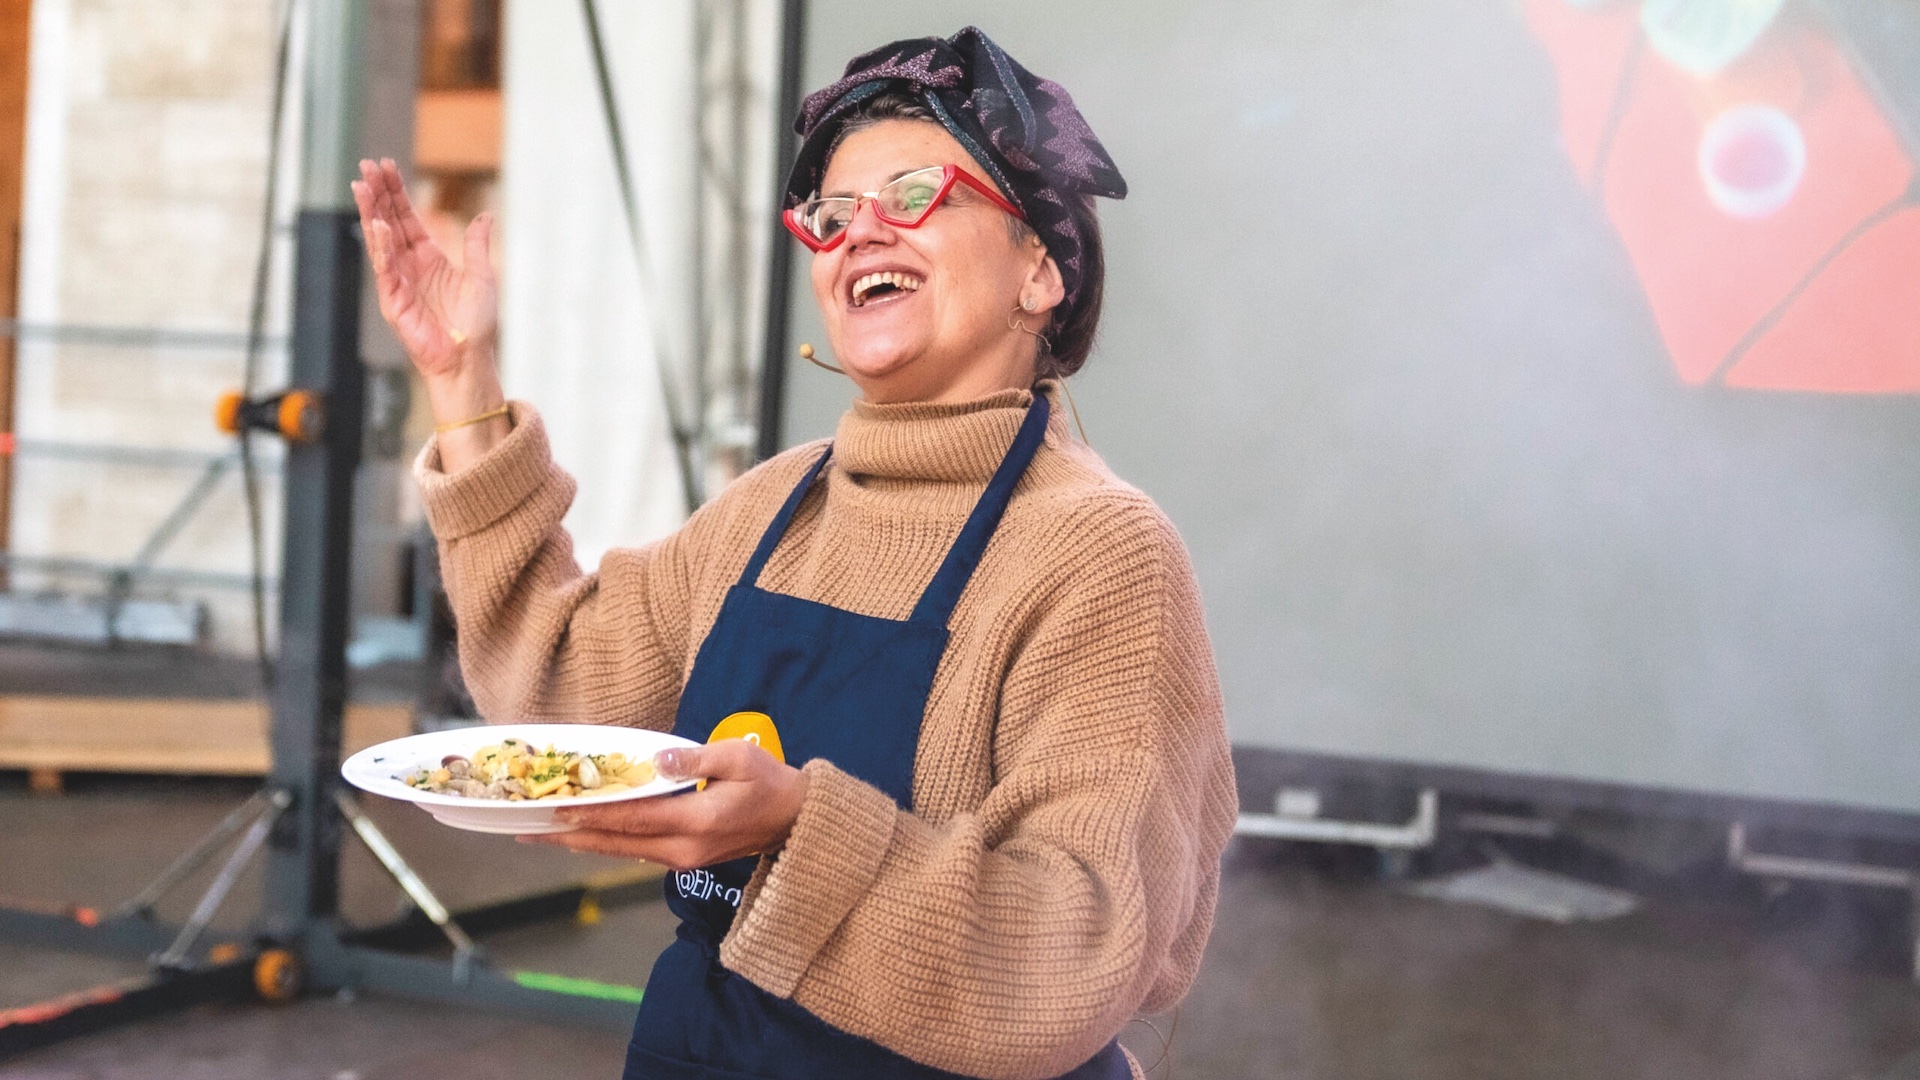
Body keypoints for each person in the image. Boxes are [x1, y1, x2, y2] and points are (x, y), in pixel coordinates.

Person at [353, 26, 1235, 1080]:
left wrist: (795, 827)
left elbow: (1073, 948)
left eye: (913, 194)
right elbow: (559, 690)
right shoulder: (776, 504)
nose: (859, 233)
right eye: (830, 215)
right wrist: (462, 384)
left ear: (1040, 268)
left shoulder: (1101, 552)